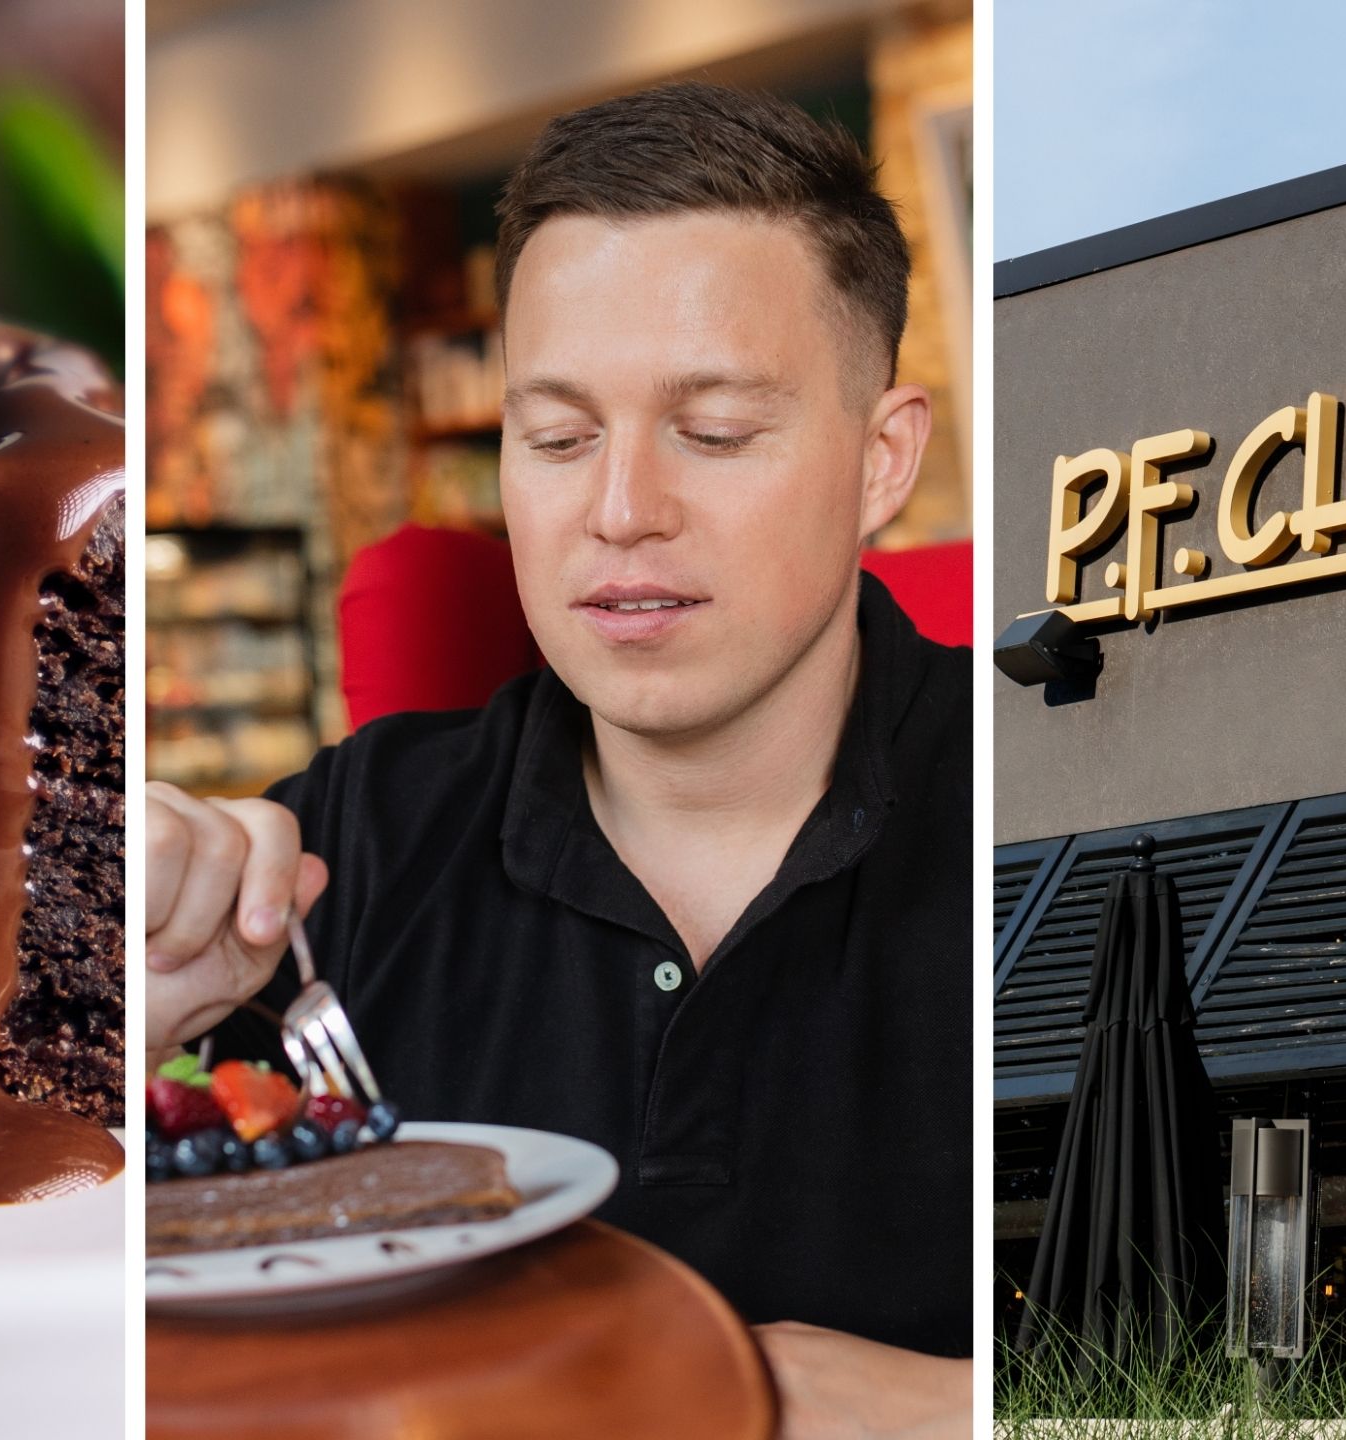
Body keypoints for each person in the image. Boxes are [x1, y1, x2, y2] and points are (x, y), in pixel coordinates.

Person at [146, 82, 970, 1438]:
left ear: (882, 462)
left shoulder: (1031, 812)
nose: (621, 511)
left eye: (712, 432)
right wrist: (118, 1034)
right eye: (557, 438)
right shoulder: (338, 847)